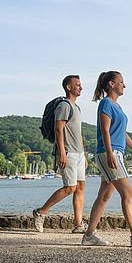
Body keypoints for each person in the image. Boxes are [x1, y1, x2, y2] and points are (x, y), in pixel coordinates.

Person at [81, 71, 132, 247]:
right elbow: (105, 130)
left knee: (104, 196)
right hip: (110, 153)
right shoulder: (106, 103)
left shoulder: (116, 106)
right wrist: (109, 154)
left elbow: (122, 132)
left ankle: (89, 235)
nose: (124, 85)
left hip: (115, 152)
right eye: (121, 82)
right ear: (111, 84)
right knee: (128, 192)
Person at [33, 75, 88, 233]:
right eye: (77, 85)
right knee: (70, 187)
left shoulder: (76, 107)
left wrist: (83, 154)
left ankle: (78, 225)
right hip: (68, 152)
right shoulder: (64, 106)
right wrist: (62, 152)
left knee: (80, 187)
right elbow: (58, 129)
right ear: (68, 87)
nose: (81, 87)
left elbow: (79, 133)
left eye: (80, 84)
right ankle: (41, 212)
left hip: (78, 153)